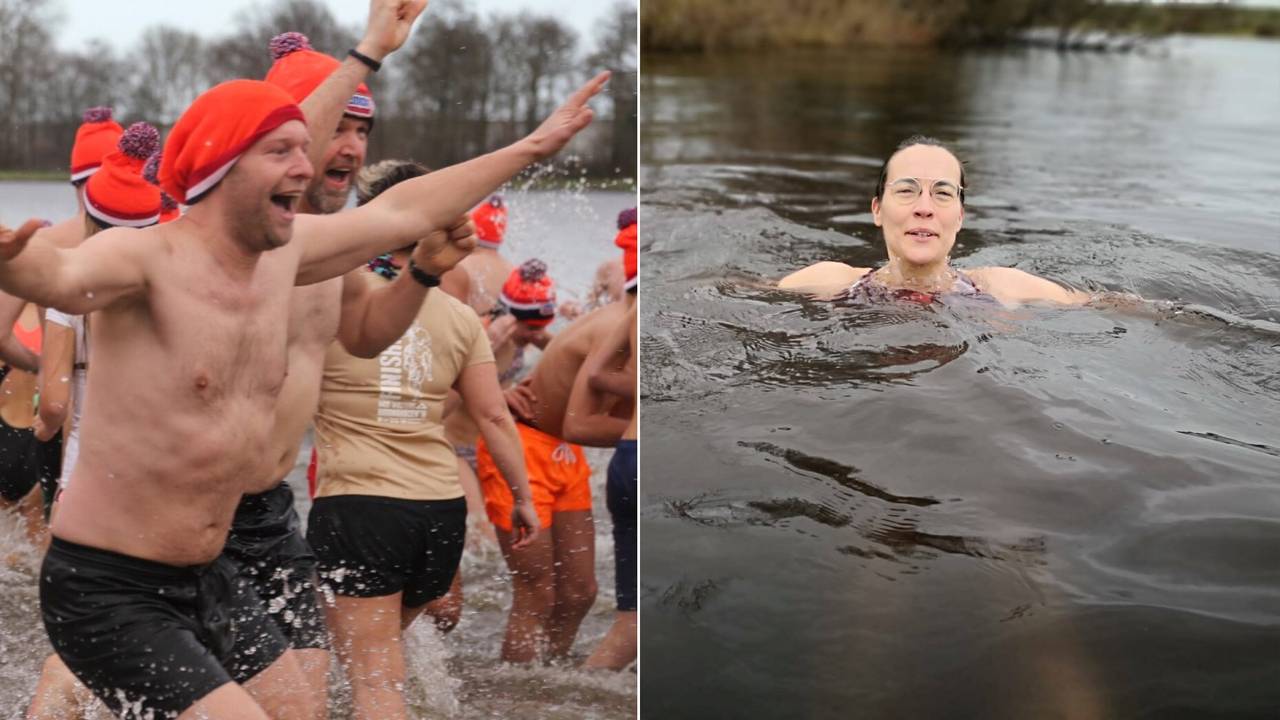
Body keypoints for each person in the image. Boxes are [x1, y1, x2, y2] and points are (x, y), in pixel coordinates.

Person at [0, 27, 608, 720]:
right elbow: (60, 275)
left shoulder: (295, 255)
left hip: (213, 567)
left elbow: (405, 211)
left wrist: (532, 147)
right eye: (284, 152)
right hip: (110, 584)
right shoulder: (143, 258)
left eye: (308, 148)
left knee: (300, 709)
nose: (307, 164)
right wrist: (15, 261)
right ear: (222, 167)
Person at [308, 159, 539, 720]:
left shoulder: (333, 295)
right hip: (439, 514)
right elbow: (494, 417)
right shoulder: (459, 317)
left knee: (374, 683)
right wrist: (523, 499)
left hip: (361, 505)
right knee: (381, 663)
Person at [26, 120, 164, 720]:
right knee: (149, 639)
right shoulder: (169, 289)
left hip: (86, 485)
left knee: (77, 646)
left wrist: (41, 432)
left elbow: (55, 404)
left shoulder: (71, 288)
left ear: (90, 216)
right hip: (162, 487)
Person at [475, 262, 634, 663]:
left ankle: (547, 680)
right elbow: (581, 422)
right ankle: (516, 690)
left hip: (563, 450)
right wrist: (495, 392)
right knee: (537, 592)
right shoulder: (615, 323)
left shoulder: (623, 316)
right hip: (521, 445)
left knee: (581, 593)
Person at [778, 136, 1089, 306]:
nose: (924, 208)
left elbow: (1107, 306)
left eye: (942, 193)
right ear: (877, 210)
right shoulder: (831, 282)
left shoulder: (1003, 288)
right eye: (906, 190)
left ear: (960, 216)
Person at [569, 208, 638, 671]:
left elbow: (596, 373)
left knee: (632, 625)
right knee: (635, 626)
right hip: (643, 459)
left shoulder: (631, 310)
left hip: (626, 459)